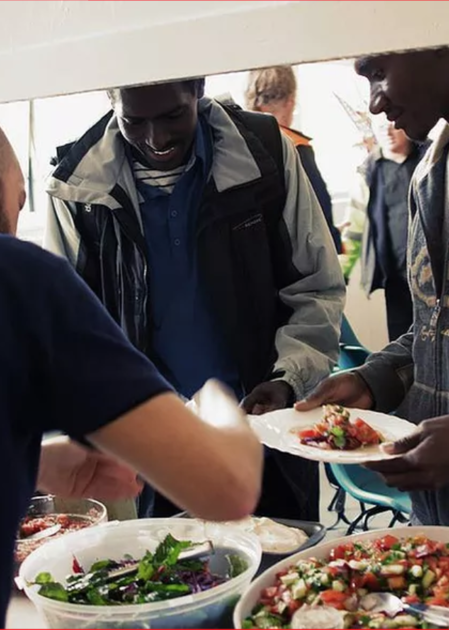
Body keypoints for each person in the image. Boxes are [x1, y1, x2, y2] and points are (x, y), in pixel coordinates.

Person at [0, 92, 264, 629]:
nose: (14, 226)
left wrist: (31, 464)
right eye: (18, 202)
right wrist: (214, 403)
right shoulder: (6, 274)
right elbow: (226, 488)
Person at [44, 78, 346, 520]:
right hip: (153, 447)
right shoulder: (77, 186)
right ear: (110, 102)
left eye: (172, 116)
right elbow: (66, 328)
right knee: (171, 578)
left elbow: (315, 287)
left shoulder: (265, 154)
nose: (157, 138)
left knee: (283, 572)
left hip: (267, 431)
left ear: (198, 89)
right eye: (135, 121)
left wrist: (289, 377)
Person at [296, 45, 449, 527]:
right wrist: (373, 381)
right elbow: (435, 329)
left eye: (377, 74)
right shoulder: (433, 171)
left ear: (440, 42)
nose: (373, 104)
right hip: (439, 521)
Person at [340, 115, 428, 340]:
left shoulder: (429, 160)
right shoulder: (369, 171)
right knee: (401, 343)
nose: (388, 133)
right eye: (381, 128)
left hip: (433, 275)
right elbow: (354, 229)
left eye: (393, 126)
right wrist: (342, 274)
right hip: (395, 278)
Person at [244, 65, 342, 253]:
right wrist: (335, 250)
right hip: (294, 260)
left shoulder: (237, 144)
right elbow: (318, 212)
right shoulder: (294, 147)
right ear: (290, 101)